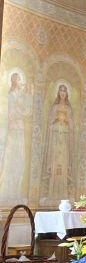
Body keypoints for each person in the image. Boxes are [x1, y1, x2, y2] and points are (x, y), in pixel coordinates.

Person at [0, 72, 33, 204]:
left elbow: (27, 111)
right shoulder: (12, 95)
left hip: (19, 130)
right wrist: (26, 98)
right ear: (14, 81)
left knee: (19, 160)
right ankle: (9, 192)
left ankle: (15, 192)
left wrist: (29, 94)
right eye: (19, 80)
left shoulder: (19, 95)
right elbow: (16, 113)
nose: (21, 82)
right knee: (13, 161)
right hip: (13, 132)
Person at [43, 84, 75, 200]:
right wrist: (56, 120)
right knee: (55, 163)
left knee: (64, 163)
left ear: (67, 94)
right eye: (61, 91)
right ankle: (52, 194)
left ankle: (64, 194)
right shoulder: (55, 107)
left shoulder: (68, 108)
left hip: (64, 139)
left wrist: (66, 121)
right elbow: (50, 123)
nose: (62, 93)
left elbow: (71, 125)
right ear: (58, 92)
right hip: (56, 139)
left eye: (64, 91)